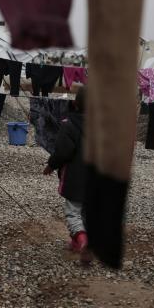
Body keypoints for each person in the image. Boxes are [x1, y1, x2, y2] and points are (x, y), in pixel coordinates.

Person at [43, 86, 89, 258]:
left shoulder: (69, 125)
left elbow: (63, 151)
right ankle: (78, 241)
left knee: (73, 211)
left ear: (75, 104)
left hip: (75, 179)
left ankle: (81, 238)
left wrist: (51, 165)